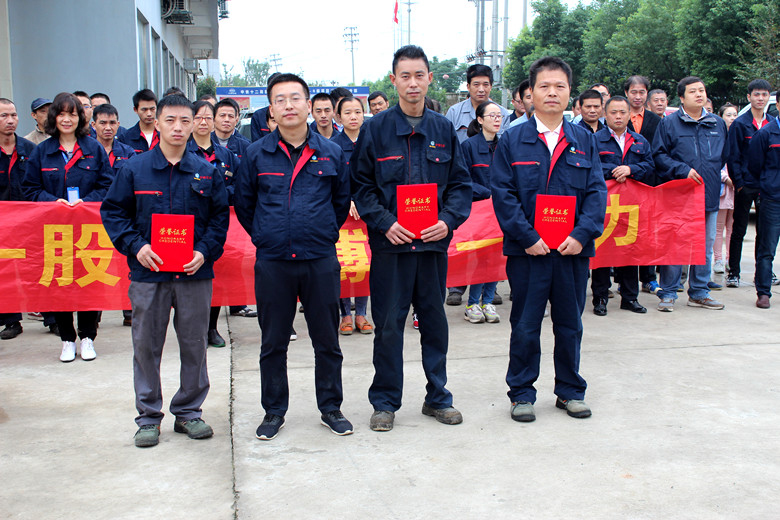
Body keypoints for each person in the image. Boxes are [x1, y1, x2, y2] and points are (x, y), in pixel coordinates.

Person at [351, 45, 472, 432]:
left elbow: (460, 185)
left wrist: (449, 220)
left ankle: (438, 397)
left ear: (430, 78)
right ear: (394, 80)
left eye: (419, 75)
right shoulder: (375, 129)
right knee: (388, 325)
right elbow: (361, 186)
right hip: (392, 248)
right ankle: (385, 401)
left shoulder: (443, 129)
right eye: (405, 75)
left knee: (434, 322)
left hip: (433, 248)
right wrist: (385, 223)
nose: (413, 82)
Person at [101, 94, 229, 448]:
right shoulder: (134, 169)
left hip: (193, 274)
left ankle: (189, 412)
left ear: (194, 124)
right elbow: (113, 213)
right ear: (155, 122)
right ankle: (147, 417)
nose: (177, 127)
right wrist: (137, 246)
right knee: (146, 345)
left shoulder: (207, 171)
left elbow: (220, 219)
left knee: (194, 345)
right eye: (170, 120)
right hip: (149, 274)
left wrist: (204, 252)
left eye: (185, 121)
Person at [234, 73, 353, 441]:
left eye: (295, 98)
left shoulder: (331, 152)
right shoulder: (255, 154)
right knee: (273, 343)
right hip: (273, 262)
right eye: (280, 99)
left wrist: (321, 234)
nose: (288, 105)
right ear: (271, 109)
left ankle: (330, 407)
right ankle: (273, 411)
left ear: (309, 106)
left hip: (319, 260)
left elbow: (339, 202)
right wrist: (267, 236)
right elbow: (244, 204)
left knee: (326, 340)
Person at [491, 56, 607, 423]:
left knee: (570, 322)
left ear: (570, 93)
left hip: (572, 252)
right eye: (544, 86)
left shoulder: (584, 140)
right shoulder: (512, 140)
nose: (552, 92)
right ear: (529, 94)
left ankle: (570, 391)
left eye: (559, 86)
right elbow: (503, 194)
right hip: (529, 253)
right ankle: (522, 393)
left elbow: (596, 194)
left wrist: (581, 233)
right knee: (525, 324)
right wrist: (527, 237)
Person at [22, 92, 113, 362]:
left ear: (80, 117)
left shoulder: (93, 148)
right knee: (59, 284)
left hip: (87, 229)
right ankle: (66, 338)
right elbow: (29, 189)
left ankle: (87, 337)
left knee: (88, 282)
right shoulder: (42, 151)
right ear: (53, 118)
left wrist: (87, 201)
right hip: (54, 230)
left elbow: (107, 185)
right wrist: (53, 202)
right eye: (61, 114)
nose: (67, 119)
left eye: (72, 114)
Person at [652, 76, 729, 311]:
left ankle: (699, 291)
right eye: (693, 91)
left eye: (702, 90)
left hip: (708, 193)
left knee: (704, 246)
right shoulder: (669, 123)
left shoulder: (717, 123)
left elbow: (723, 156)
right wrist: (682, 170)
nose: (699, 94)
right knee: (675, 243)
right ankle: (668, 293)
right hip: (679, 194)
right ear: (682, 97)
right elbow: (659, 155)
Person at [591, 96, 655, 316]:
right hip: (605, 206)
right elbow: (590, 167)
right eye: (613, 112)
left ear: (630, 114)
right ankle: (600, 298)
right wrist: (614, 171)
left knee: (629, 251)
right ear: (605, 115)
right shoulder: (594, 140)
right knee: (602, 251)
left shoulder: (640, 141)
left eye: (622, 112)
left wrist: (630, 170)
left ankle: (629, 298)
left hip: (631, 207)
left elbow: (650, 166)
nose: (618, 116)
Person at [187, 100, 241, 347]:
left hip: (217, 223)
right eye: (197, 117)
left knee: (215, 277)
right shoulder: (183, 150)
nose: (203, 122)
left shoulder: (226, 155)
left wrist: (215, 192)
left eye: (208, 117)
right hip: (188, 222)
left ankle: (211, 328)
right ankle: (190, 330)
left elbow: (240, 186)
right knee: (187, 279)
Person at [331, 96, 373, 336]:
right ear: (339, 117)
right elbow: (333, 180)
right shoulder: (333, 145)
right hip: (343, 215)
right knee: (346, 264)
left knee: (365, 263)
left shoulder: (371, 142)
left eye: (358, 112)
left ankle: (362, 314)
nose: (353, 117)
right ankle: (345, 314)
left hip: (366, 213)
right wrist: (347, 200)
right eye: (348, 112)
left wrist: (363, 200)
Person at [91, 103, 136, 326]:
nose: (108, 128)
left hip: (123, 217)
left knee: (122, 264)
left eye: (112, 123)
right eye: (102, 123)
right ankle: (95, 311)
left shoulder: (128, 153)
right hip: (91, 219)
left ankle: (128, 311)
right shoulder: (88, 152)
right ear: (93, 125)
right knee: (96, 266)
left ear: (118, 124)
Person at [726, 79, 772, 288]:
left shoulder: (772, 123)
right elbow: (733, 156)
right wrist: (740, 183)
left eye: (764, 95)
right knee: (739, 230)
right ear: (749, 97)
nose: (760, 98)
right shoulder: (740, 124)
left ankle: (763, 273)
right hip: (746, 185)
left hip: (768, 187)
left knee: (766, 231)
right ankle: (733, 272)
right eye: (756, 95)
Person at [460, 101, 503, 324]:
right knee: (480, 256)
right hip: (478, 210)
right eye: (492, 115)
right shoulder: (468, 147)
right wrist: (487, 193)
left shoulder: (504, 145)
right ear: (480, 120)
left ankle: (488, 301)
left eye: (499, 116)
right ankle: (472, 303)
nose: (497, 119)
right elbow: (463, 180)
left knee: (495, 255)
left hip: (501, 210)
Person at [624, 75, 663, 293]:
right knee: (625, 232)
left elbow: (659, 154)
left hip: (648, 185)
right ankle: (624, 280)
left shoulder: (656, 121)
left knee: (647, 233)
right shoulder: (617, 117)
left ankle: (648, 277)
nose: (637, 96)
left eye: (642, 92)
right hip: (622, 187)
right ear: (627, 93)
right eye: (633, 92)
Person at [0, 98, 35, 340]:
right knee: (6, 272)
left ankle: (52, 318)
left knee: (38, 267)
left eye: (13, 115)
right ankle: (12, 321)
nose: (10, 120)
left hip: (30, 221)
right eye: (4, 116)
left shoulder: (29, 149)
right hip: (2, 224)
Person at [748, 101, 780, 309]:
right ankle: (763, 292)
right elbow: (754, 165)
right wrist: (769, 184)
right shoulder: (767, 134)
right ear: (778, 104)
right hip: (773, 198)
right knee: (767, 247)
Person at [445, 63, 511, 143]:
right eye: (476, 85)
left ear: (491, 86)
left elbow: (506, 144)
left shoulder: (502, 113)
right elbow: (446, 142)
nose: (481, 89)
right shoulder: (454, 112)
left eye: (485, 85)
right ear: (468, 87)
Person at [714, 103, 738, 276]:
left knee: (733, 227)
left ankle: (731, 259)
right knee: (718, 227)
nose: (732, 118)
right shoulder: (718, 136)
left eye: (735, 115)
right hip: (723, 189)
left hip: (737, 188)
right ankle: (718, 260)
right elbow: (715, 163)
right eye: (728, 115)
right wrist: (726, 179)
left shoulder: (738, 136)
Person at [120, 89, 159, 154]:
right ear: (135, 110)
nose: (149, 113)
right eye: (144, 109)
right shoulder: (125, 138)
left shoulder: (165, 135)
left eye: (152, 109)